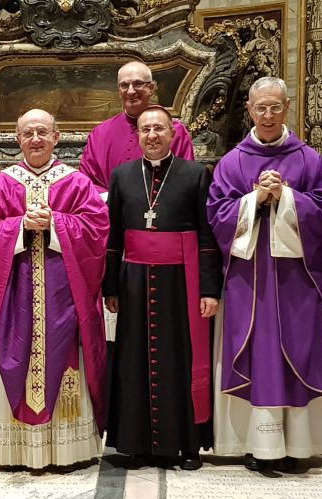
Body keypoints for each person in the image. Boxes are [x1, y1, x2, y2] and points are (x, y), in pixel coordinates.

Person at [207, 77, 322, 471]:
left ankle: (298, 446)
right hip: (249, 281)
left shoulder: (309, 159)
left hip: (297, 280)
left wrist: (286, 196)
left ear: (287, 108)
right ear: (249, 110)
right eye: (260, 107)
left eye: (275, 107)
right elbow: (216, 216)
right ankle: (256, 445)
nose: (267, 115)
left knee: (299, 351)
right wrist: (255, 198)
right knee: (254, 352)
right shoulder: (232, 162)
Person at [0, 109, 109, 470]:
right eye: (28, 133)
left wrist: (56, 223)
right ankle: (14, 450)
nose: (35, 139)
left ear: (56, 137)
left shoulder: (76, 183)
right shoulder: (1, 184)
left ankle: (65, 451)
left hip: (63, 297)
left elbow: (97, 230)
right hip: (14, 297)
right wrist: (18, 226)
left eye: (42, 132)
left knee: (63, 359)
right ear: (17, 139)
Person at [103, 105, 223, 470]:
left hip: (180, 282)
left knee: (179, 359)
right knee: (133, 359)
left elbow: (207, 237)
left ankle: (187, 444)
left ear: (172, 134)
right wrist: (110, 287)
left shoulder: (195, 174)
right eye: (145, 129)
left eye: (159, 129)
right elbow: (113, 238)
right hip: (134, 283)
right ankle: (135, 444)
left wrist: (209, 289)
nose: (152, 135)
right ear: (137, 135)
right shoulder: (122, 176)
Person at [80, 61, 194, 192]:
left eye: (138, 84)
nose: (130, 91)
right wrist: (113, 199)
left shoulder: (175, 131)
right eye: (124, 85)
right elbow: (87, 181)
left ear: (151, 88)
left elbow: (185, 178)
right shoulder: (100, 133)